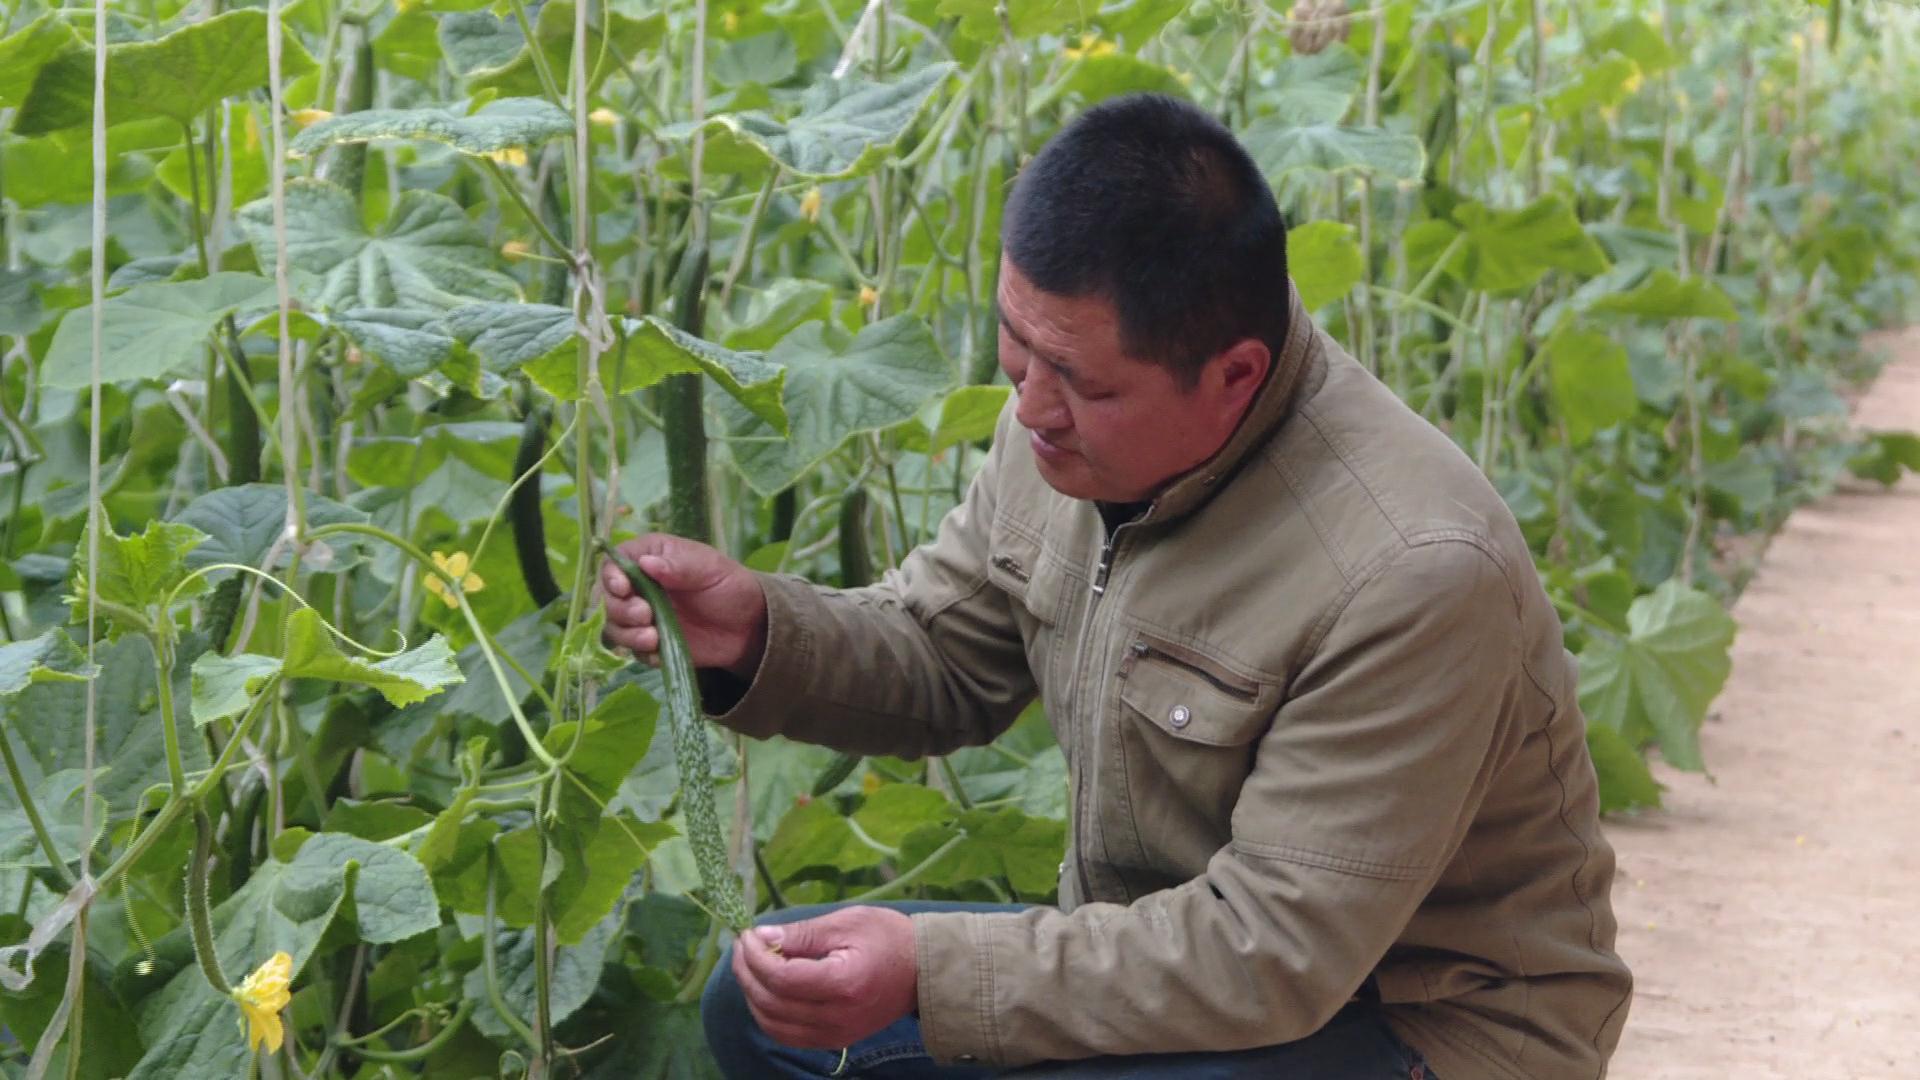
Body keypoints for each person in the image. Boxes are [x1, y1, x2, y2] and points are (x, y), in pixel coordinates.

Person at [601, 93, 1631, 1079]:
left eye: (1081, 383)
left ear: (1232, 375)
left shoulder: (1413, 568)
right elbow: (943, 653)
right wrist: (755, 632)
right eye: (1016, 347)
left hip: (1412, 1027)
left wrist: (938, 971)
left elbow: (1269, 951)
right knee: (774, 1003)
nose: (1031, 406)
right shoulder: (1058, 423)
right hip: (1168, 968)